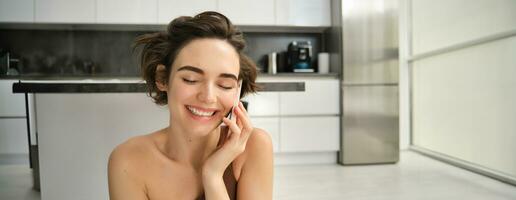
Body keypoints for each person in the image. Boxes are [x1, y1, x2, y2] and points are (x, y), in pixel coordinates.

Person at [107, 11, 273, 200]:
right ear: (162, 78)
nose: (208, 97)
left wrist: (213, 176)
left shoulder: (254, 147)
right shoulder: (128, 160)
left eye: (224, 85)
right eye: (191, 79)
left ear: (237, 89)